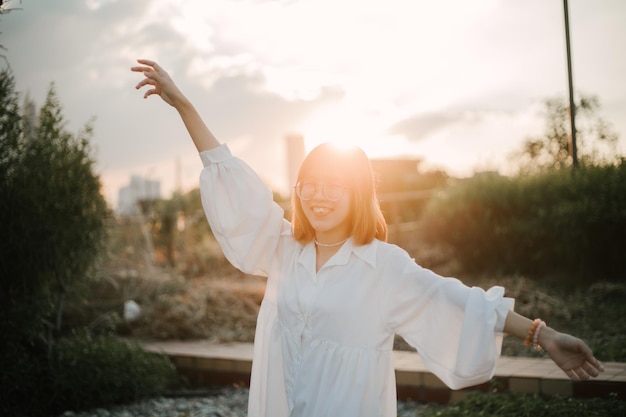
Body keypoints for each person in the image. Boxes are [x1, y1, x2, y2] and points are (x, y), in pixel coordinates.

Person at [131, 59, 604, 417]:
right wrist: (185, 107)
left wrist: (542, 334)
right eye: (309, 185)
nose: (318, 196)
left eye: (334, 185)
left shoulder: (383, 266)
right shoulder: (283, 250)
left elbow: (459, 301)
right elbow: (232, 180)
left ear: (358, 194)